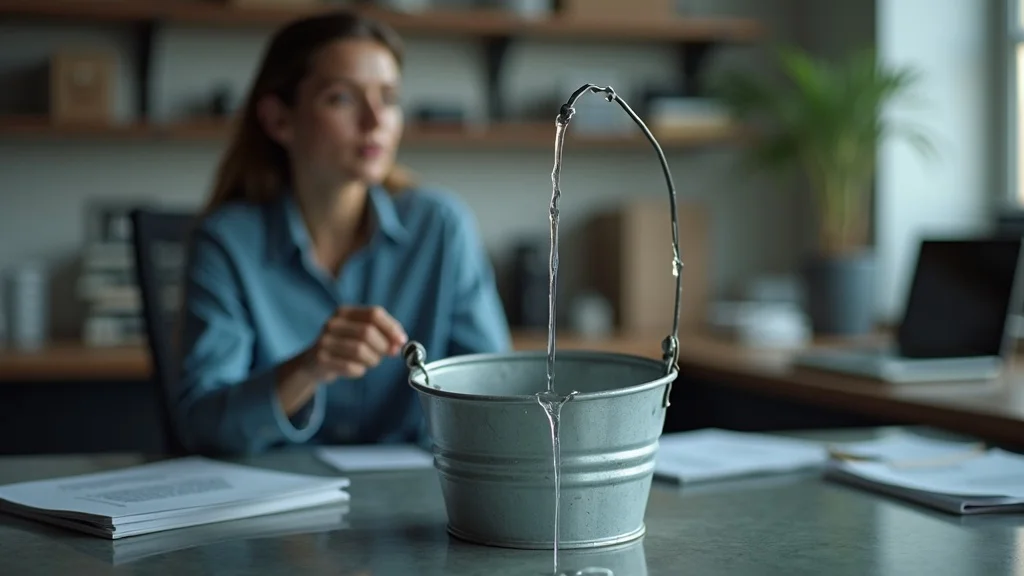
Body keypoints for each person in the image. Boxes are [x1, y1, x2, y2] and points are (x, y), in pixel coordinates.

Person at [172, 10, 512, 456]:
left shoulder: (441, 228)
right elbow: (202, 427)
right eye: (341, 98)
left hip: (416, 501)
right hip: (275, 506)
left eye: (388, 98)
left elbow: (499, 396)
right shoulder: (226, 242)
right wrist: (309, 368)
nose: (375, 121)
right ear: (279, 120)